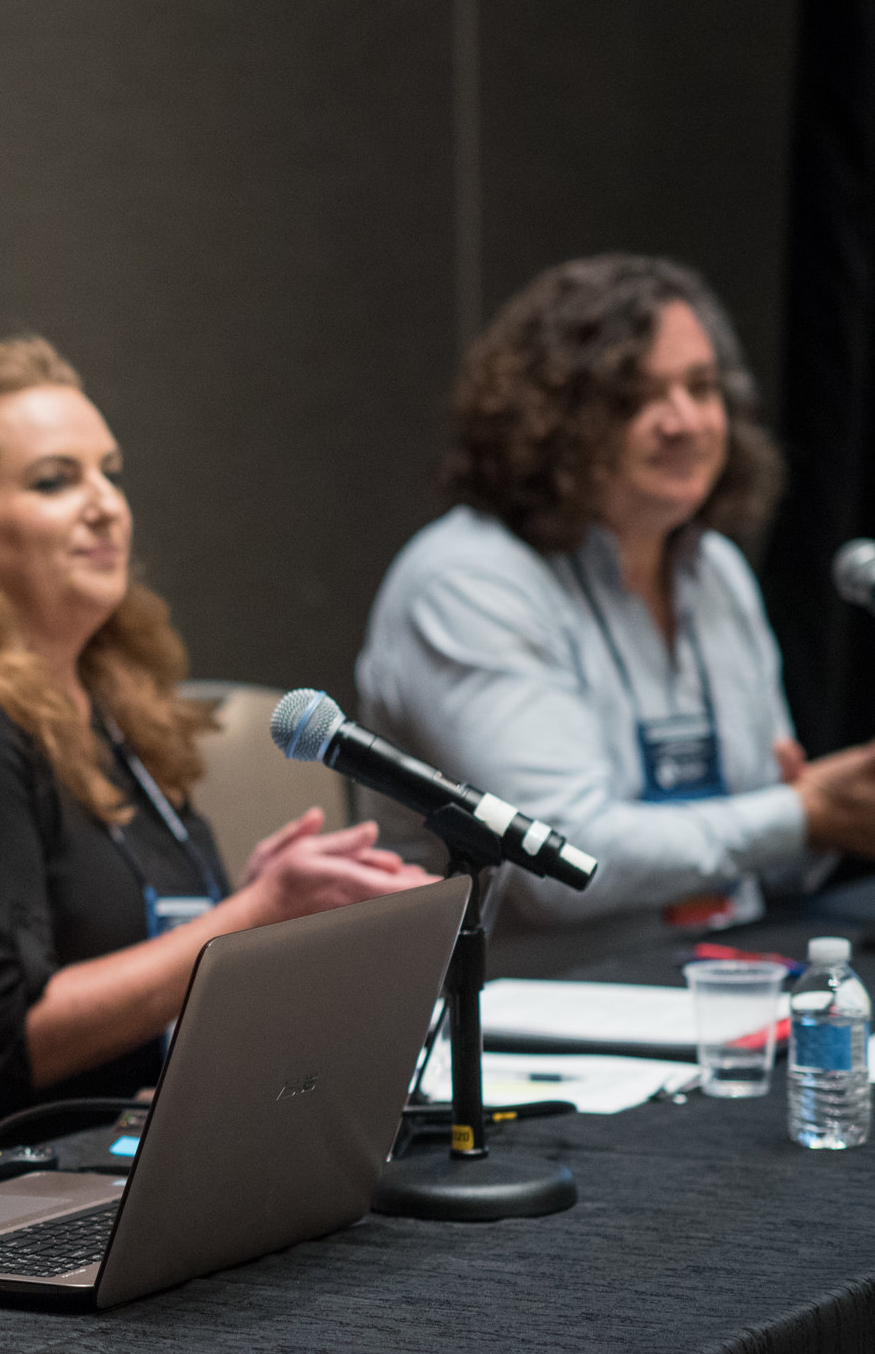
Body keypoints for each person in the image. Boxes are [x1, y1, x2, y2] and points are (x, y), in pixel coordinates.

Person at [0, 338, 431, 1174]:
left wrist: (264, 916)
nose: (105, 505)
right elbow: (0, 1045)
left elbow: (161, 954)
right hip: (0, 1198)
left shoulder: (114, 703)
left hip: (136, 1159)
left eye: (109, 473)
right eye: (55, 480)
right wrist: (248, 916)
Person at [359, 255, 875, 973]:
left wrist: (822, 820)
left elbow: (764, 857)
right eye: (636, 397)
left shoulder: (713, 568)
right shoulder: (468, 581)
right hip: (528, 1022)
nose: (686, 421)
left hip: (714, 977)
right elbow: (560, 866)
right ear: (549, 418)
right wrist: (802, 813)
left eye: (702, 388)